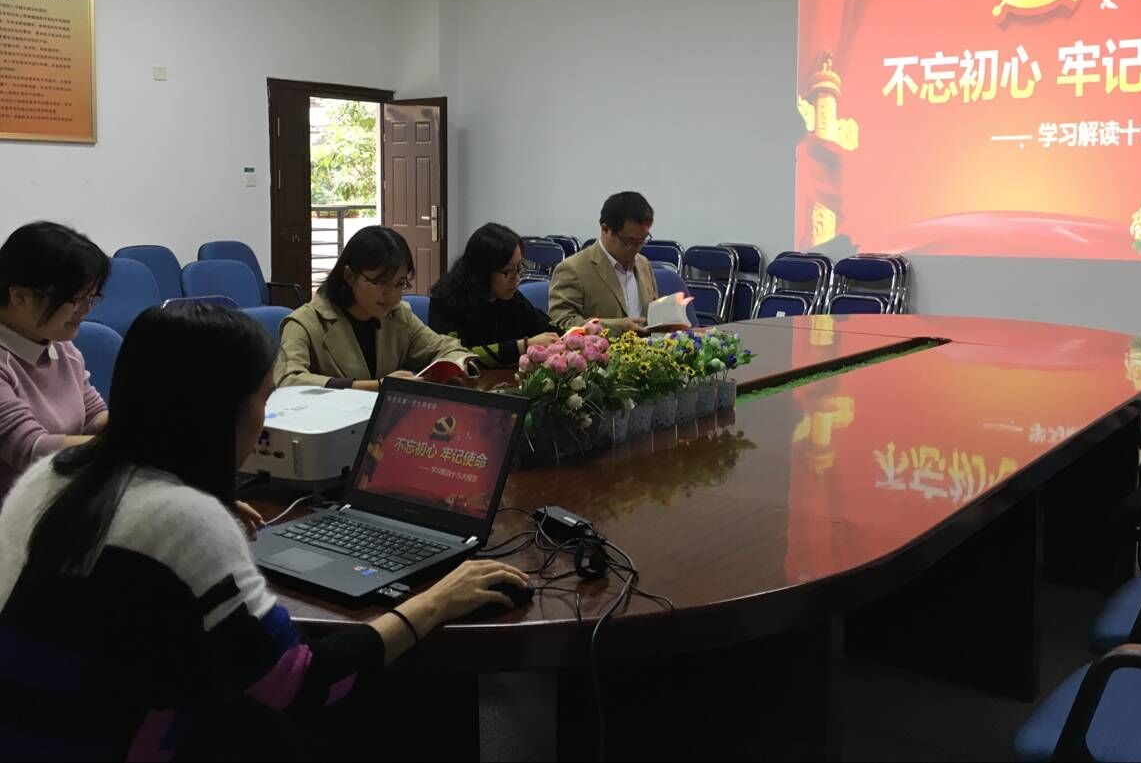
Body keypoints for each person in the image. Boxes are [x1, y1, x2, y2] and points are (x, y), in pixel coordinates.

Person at [0, 304, 529, 758]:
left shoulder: (51, 475)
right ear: (219, 414)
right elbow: (300, 683)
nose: (264, 419)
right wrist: (437, 601)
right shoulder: (184, 520)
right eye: (264, 398)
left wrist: (193, 504)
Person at [274, 226, 476, 390]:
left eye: (400, 283)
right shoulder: (305, 322)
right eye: (381, 282)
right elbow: (287, 380)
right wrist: (376, 386)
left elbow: (447, 347)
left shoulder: (398, 315)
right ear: (349, 276)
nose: (392, 294)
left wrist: (456, 369)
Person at [0, 221, 111, 498]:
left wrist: (139, 425)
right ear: (20, 296)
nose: (85, 310)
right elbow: (31, 450)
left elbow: (93, 415)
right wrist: (124, 446)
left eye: (91, 298)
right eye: (75, 299)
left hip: (61, 495)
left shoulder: (60, 345)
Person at [428, 223, 559, 367]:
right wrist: (523, 346)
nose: (517, 278)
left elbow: (545, 327)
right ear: (483, 272)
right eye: (508, 271)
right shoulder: (446, 300)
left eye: (519, 267)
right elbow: (457, 358)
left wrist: (572, 334)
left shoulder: (510, 297)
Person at [548, 192, 659, 333]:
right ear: (605, 229)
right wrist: (617, 327)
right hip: (603, 347)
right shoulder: (572, 269)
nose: (637, 249)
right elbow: (561, 323)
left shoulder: (643, 264)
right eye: (629, 242)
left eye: (642, 240)